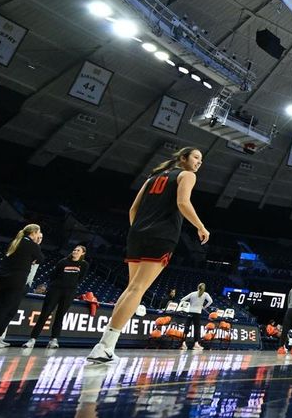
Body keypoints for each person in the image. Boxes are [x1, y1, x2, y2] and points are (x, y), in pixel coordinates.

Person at [87, 147, 209, 364]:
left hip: (137, 235)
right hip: (161, 236)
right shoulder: (187, 175)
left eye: (201, 159)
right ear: (183, 158)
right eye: (196, 157)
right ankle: (104, 347)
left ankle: (106, 346)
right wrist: (200, 226)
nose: (200, 162)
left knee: (131, 288)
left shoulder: (152, 177)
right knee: (137, 289)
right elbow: (183, 203)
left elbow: (133, 209)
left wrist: (139, 230)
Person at [24, 244, 88, 349]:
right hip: (55, 290)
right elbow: (53, 275)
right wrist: (56, 285)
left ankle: (54, 339)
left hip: (69, 292)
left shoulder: (84, 265)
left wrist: (71, 286)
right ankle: (32, 339)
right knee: (45, 314)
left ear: (83, 253)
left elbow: (80, 278)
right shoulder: (63, 262)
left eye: (78, 250)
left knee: (60, 315)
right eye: (74, 250)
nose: (75, 251)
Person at [179, 283, 214, 351]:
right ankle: (196, 344)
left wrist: (189, 304)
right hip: (197, 313)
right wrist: (204, 307)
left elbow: (182, 299)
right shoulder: (205, 294)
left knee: (187, 327)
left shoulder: (193, 293)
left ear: (198, 287)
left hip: (190, 312)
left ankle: (183, 343)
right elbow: (210, 301)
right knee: (196, 329)